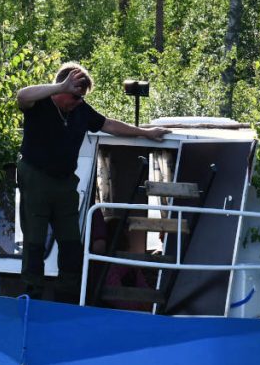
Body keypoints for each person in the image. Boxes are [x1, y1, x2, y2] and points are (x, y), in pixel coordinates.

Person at [15, 62, 169, 301]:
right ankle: (31, 296)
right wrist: (59, 85)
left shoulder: (80, 110)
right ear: (60, 89)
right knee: (34, 241)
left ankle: (66, 296)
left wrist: (145, 133)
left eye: (82, 98)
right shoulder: (40, 104)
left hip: (64, 182)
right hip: (36, 177)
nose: (78, 102)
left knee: (71, 244)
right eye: (75, 96)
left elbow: (109, 125)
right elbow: (22, 95)